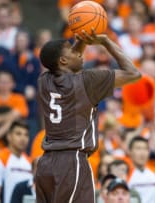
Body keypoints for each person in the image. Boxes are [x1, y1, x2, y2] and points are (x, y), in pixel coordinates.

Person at [35, 30, 141, 203]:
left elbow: (67, 61)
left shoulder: (43, 81)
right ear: (63, 60)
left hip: (45, 163)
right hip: (72, 161)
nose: (79, 52)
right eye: (72, 50)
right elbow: (133, 73)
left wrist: (82, 41)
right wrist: (106, 42)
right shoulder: (87, 81)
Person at [0, 121, 32, 203]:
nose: (23, 138)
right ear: (9, 136)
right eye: (18, 134)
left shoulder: (29, 162)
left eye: (26, 135)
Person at [127, 136, 155, 203]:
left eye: (145, 149)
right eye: (138, 148)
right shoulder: (125, 175)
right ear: (130, 151)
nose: (142, 153)